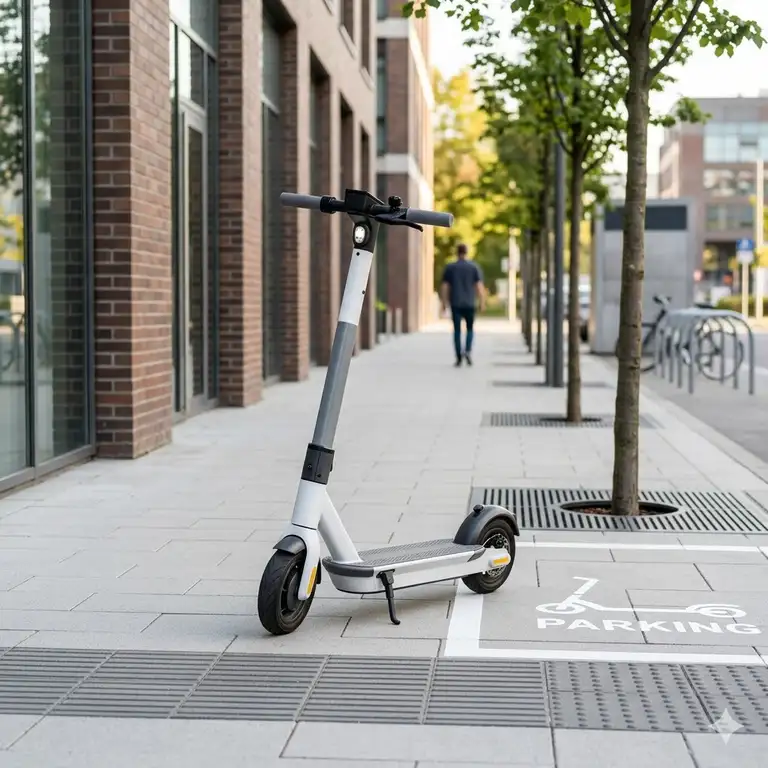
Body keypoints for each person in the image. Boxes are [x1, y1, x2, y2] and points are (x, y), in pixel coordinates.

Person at [440, 243, 486, 366]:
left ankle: (458, 355)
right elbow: (479, 287)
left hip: (455, 303)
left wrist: (444, 303)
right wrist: (482, 302)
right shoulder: (474, 267)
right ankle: (468, 351)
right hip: (470, 303)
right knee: (470, 329)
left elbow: (445, 287)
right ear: (467, 252)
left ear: (457, 252)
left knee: (457, 330)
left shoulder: (450, 268)